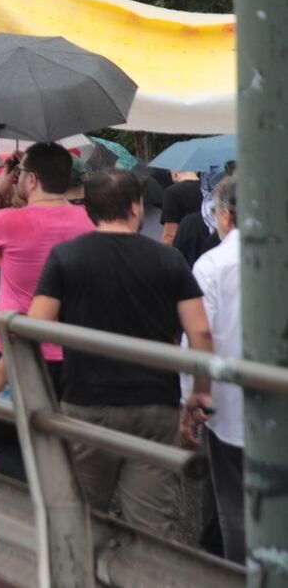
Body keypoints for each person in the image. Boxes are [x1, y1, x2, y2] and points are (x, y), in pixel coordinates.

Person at [25, 169, 214, 540]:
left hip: (86, 402)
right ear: (135, 206)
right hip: (154, 406)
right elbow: (200, 331)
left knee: (81, 517)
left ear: (89, 210)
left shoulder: (66, 257)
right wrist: (200, 394)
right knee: (154, 526)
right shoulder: (168, 259)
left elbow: (34, 329)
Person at [0, 142, 94, 480]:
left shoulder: (10, 221)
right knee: (57, 442)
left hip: (16, 355)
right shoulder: (87, 222)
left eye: (22, 173)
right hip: (73, 358)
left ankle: (31, 511)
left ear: (31, 180)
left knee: (0, 440)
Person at [191, 176, 243, 563]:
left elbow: (199, 336)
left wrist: (195, 396)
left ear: (225, 216)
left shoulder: (212, 264)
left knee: (234, 502)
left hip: (229, 405)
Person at [160, 169, 202, 246]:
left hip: (183, 252)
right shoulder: (208, 189)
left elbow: (169, 236)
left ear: (175, 173)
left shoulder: (172, 192)